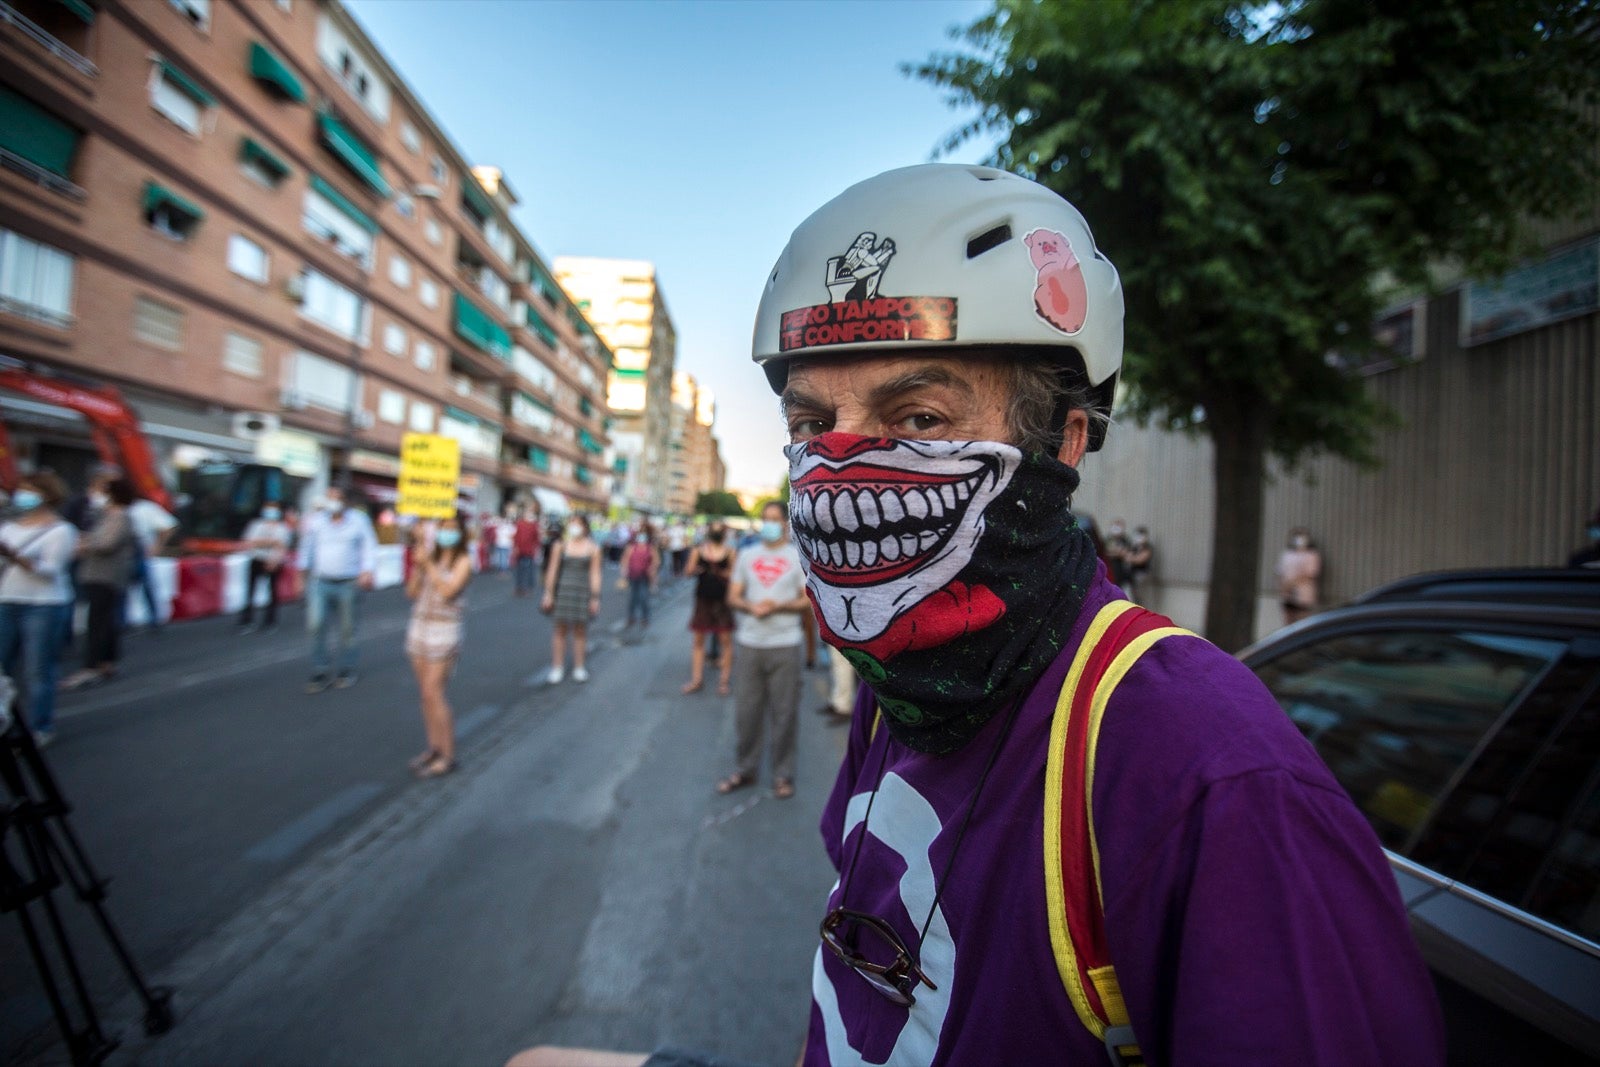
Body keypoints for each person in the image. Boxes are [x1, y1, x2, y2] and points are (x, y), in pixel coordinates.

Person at [515, 164, 1447, 1067]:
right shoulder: (911, 676)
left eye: (918, 416)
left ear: (1065, 439)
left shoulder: (1213, 778)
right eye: (810, 423)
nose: (840, 466)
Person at [715, 501, 808, 801]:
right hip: (751, 643)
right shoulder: (747, 554)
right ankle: (745, 768)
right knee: (747, 712)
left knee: (784, 714)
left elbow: (807, 599)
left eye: (774, 519)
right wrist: (749, 606)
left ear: (784, 524)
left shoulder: (797, 558)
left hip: (785, 644)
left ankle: (783, 774)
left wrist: (779, 605)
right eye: (764, 519)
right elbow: (733, 595)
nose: (768, 524)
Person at [0, 471, 78, 745]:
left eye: (29, 489)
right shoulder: (9, 527)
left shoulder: (61, 530)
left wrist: (16, 557)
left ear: (46, 495)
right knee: (2, 668)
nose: (21, 495)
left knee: (38, 669)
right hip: (7, 599)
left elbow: (51, 571)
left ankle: (39, 726)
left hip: (44, 605)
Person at [405, 511, 473, 779]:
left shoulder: (464, 561)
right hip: (420, 626)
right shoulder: (428, 557)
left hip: (444, 630)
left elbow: (448, 591)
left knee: (435, 692)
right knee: (425, 694)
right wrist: (419, 566)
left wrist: (430, 567)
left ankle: (448, 754)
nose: (447, 532)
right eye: (443, 527)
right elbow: (411, 593)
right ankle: (433, 747)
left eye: (452, 528)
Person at [297, 485, 378, 693]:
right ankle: (320, 669)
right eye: (330, 496)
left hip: (348, 583)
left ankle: (347, 668)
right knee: (316, 625)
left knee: (347, 629)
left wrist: (367, 571)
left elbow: (369, 546)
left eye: (338, 497)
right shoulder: (316, 521)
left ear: (346, 501)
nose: (333, 501)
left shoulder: (359, 521)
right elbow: (306, 548)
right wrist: (300, 577)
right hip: (320, 581)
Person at [63, 476, 136, 690]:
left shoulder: (118, 516)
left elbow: (106, 543)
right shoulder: (109, 515)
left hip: (104, 574)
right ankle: (105, 662)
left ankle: (92, 666)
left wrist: (84, 543)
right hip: (102, 574)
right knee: (104, 620)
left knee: (97, 622)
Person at [542, 514, 601, 683]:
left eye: (578, 523)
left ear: (585, 526)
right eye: (571, 523)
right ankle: (557, 666)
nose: (574, 526)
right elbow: (552, 570)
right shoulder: (560, 546)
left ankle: (579, 666)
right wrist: (548, 593)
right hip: (563, 591)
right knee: (560, 629)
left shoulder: (593, 548)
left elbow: (595, 573)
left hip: (582, 591)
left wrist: (595, 597)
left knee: (580, 630)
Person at [681, 520, 735, 695]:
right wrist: (696, 568)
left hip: (722, 602)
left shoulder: (730, 552)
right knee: (699, 641)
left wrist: (720, 573)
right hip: (703, 600)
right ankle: (697, 679)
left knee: (725, 641)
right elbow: (688, 571)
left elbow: (736, 576)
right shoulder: (699, 551)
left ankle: (723, 682)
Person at [238, 501, 292, 633]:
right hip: (257, 559)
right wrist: (271, 542)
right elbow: (248, 542)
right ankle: (247, 621)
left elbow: (282, 546)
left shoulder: (282, 528)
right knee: (250, 591)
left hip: (274, 562)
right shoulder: (256, 525)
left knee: (272, 592)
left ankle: (270, 622)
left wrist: (273, 558)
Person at [126, 493, 178, 630]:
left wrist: (157, 546)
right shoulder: (113, 508)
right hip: (123, 556)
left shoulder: (143, 508)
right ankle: (124, 621)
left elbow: (168, 526)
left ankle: (154, 619)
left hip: (140, 554)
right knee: (122, 589)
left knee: (147, 586)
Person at [1276, 526, 1323, 625]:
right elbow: (1280, 572)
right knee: (1288, 621)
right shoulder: (1287, 554)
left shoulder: (1312, 555)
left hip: (1303, 595)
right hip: (1287, 594)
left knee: (1302, 621)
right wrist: (1283, 587)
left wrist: (1291, 584)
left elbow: (1310, 574)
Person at [621, 522, 660, 630]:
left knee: (644, 597)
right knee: (633, 597)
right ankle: (631, 617)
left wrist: (652, 569)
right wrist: (624, 571)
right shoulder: (632, 547)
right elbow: (625, 559)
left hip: (645, 576)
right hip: (633, 575)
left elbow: (656, 561)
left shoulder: (650, 547)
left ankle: (645, 618)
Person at [512, 504, 543, 597]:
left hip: (529, 552)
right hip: (521, 551)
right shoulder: (520, 524)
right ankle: (519, 588)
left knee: (529, 571)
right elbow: (516, 537)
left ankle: (528, 588)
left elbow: (537, 539)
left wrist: (537, 549)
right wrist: (515, 548)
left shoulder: (534, 525)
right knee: (520, 571)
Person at [1124, 523, 1154, 603]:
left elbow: (1140, 559)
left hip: (1141, 575)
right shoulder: (1134, 547)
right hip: (1131, 575)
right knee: (1131, 595)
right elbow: (1126, 557)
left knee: (1140, 596)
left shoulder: (1147, 547)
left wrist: (1132, 558)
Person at [1103, 517, 1132, 595]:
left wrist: (1115, 552)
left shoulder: (1125, 540)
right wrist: (1117, 552)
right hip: (1109, 571)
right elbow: (1105, 552)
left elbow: (1125, 553)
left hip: (1122, 573)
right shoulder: (1107, 539)